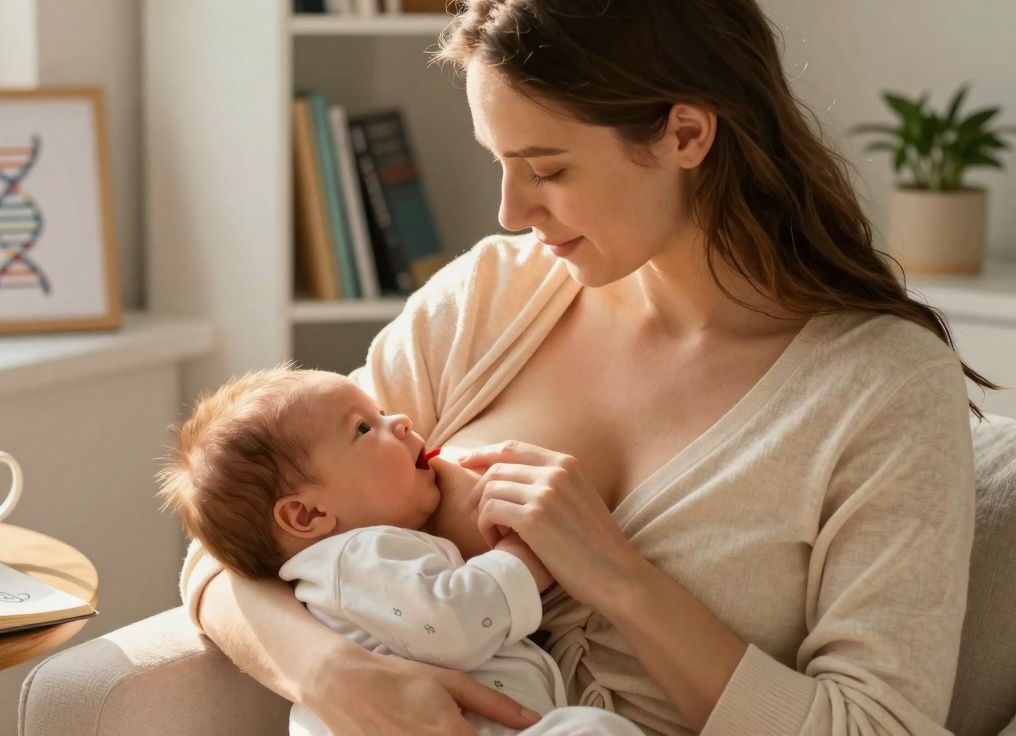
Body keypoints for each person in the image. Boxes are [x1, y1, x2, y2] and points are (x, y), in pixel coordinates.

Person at [178, 0, 997, 733]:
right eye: (499, 161)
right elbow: (239, 534)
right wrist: (333, 674)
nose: (511, 211)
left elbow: (876, 727)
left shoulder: (881, 389)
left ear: (686, 133)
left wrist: (619, 577)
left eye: (548, 169)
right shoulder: (488, 298)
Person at [157, 366, 645, 735]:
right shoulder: (355, 560)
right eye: (364, 428)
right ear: (307, 516)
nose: (403, 421)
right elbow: (452, 622)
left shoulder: (355, 561)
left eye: (381, 413)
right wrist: (530, 553)